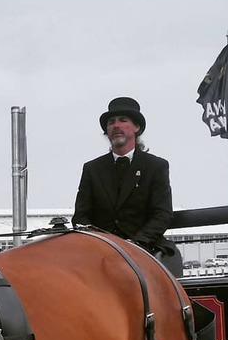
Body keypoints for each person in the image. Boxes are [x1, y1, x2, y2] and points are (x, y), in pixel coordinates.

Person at [72, 96, 182, 276]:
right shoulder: (92, 169)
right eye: (111, 122)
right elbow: (81, 215)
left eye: (123, 120)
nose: (116, 125)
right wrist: (100, 243)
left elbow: (162, 213)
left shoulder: (156, 166)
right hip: (100, 252)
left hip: (144, 249)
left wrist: (135, 244)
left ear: (136, 127)